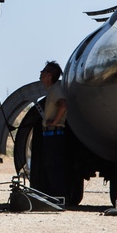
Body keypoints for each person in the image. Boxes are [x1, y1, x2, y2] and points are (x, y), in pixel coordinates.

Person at [38, 60, 68, 198]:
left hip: (54, 135)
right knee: (51, 167)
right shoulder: (52, 91)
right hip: (51, 135)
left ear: (49, 75)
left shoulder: (55, 90)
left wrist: (54, 121)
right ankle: (55, 197)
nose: (41, 73)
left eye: (44, 71)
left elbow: (63, 105)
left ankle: (58, 198)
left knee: (54, 167)